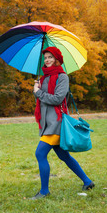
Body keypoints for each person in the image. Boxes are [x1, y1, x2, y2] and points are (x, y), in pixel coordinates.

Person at [31, 47, 95, 200]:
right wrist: (36, 89)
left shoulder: (62, 77)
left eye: (50, 57)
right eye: (45, 57)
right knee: (64, 156)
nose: (47, 60)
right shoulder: (43, 78)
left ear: (57, 59)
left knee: (40, 153)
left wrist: (38, 93)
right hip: (46, 122)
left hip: (57, 122)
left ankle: (44, 191)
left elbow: (57, 99)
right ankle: (87, 181)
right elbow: (42, 101)